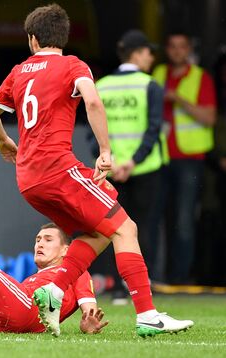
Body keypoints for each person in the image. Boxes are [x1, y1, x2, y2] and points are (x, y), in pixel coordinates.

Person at [0, 4, 193, 337]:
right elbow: (92, 101)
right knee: (126, 228)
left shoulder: (19, 71)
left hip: (28, 179)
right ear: (63, 37)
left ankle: (55, 289)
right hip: (58, 170)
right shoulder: (72, 65)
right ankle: (147, 314)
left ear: (33, 39)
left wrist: (3, 142)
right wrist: (105, 150)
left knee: (99, 231)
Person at [95, 29, 168, 303]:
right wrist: (133, 161)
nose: (151, 57)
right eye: (149, 52)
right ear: (138, 54)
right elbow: (153, 129)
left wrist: (108, 159)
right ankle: (141, 289)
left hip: (110, 170)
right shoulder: (150, 84)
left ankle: (117, 289)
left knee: (115, 230)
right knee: (144, 228)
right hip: (145, 168)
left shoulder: (101, 86)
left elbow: (93, 132)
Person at [152, 32, 217, 284]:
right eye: (173, 46)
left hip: (190, 159)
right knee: (154, 219)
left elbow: (209, 118)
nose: (177, 51)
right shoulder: (157, 74)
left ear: (188, 49)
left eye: (182, 46)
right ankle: (155, 278)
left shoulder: (201, 77)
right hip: (159, 157)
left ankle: (180, 280)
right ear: (167, 50)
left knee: (184, 220)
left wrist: (178, 98)